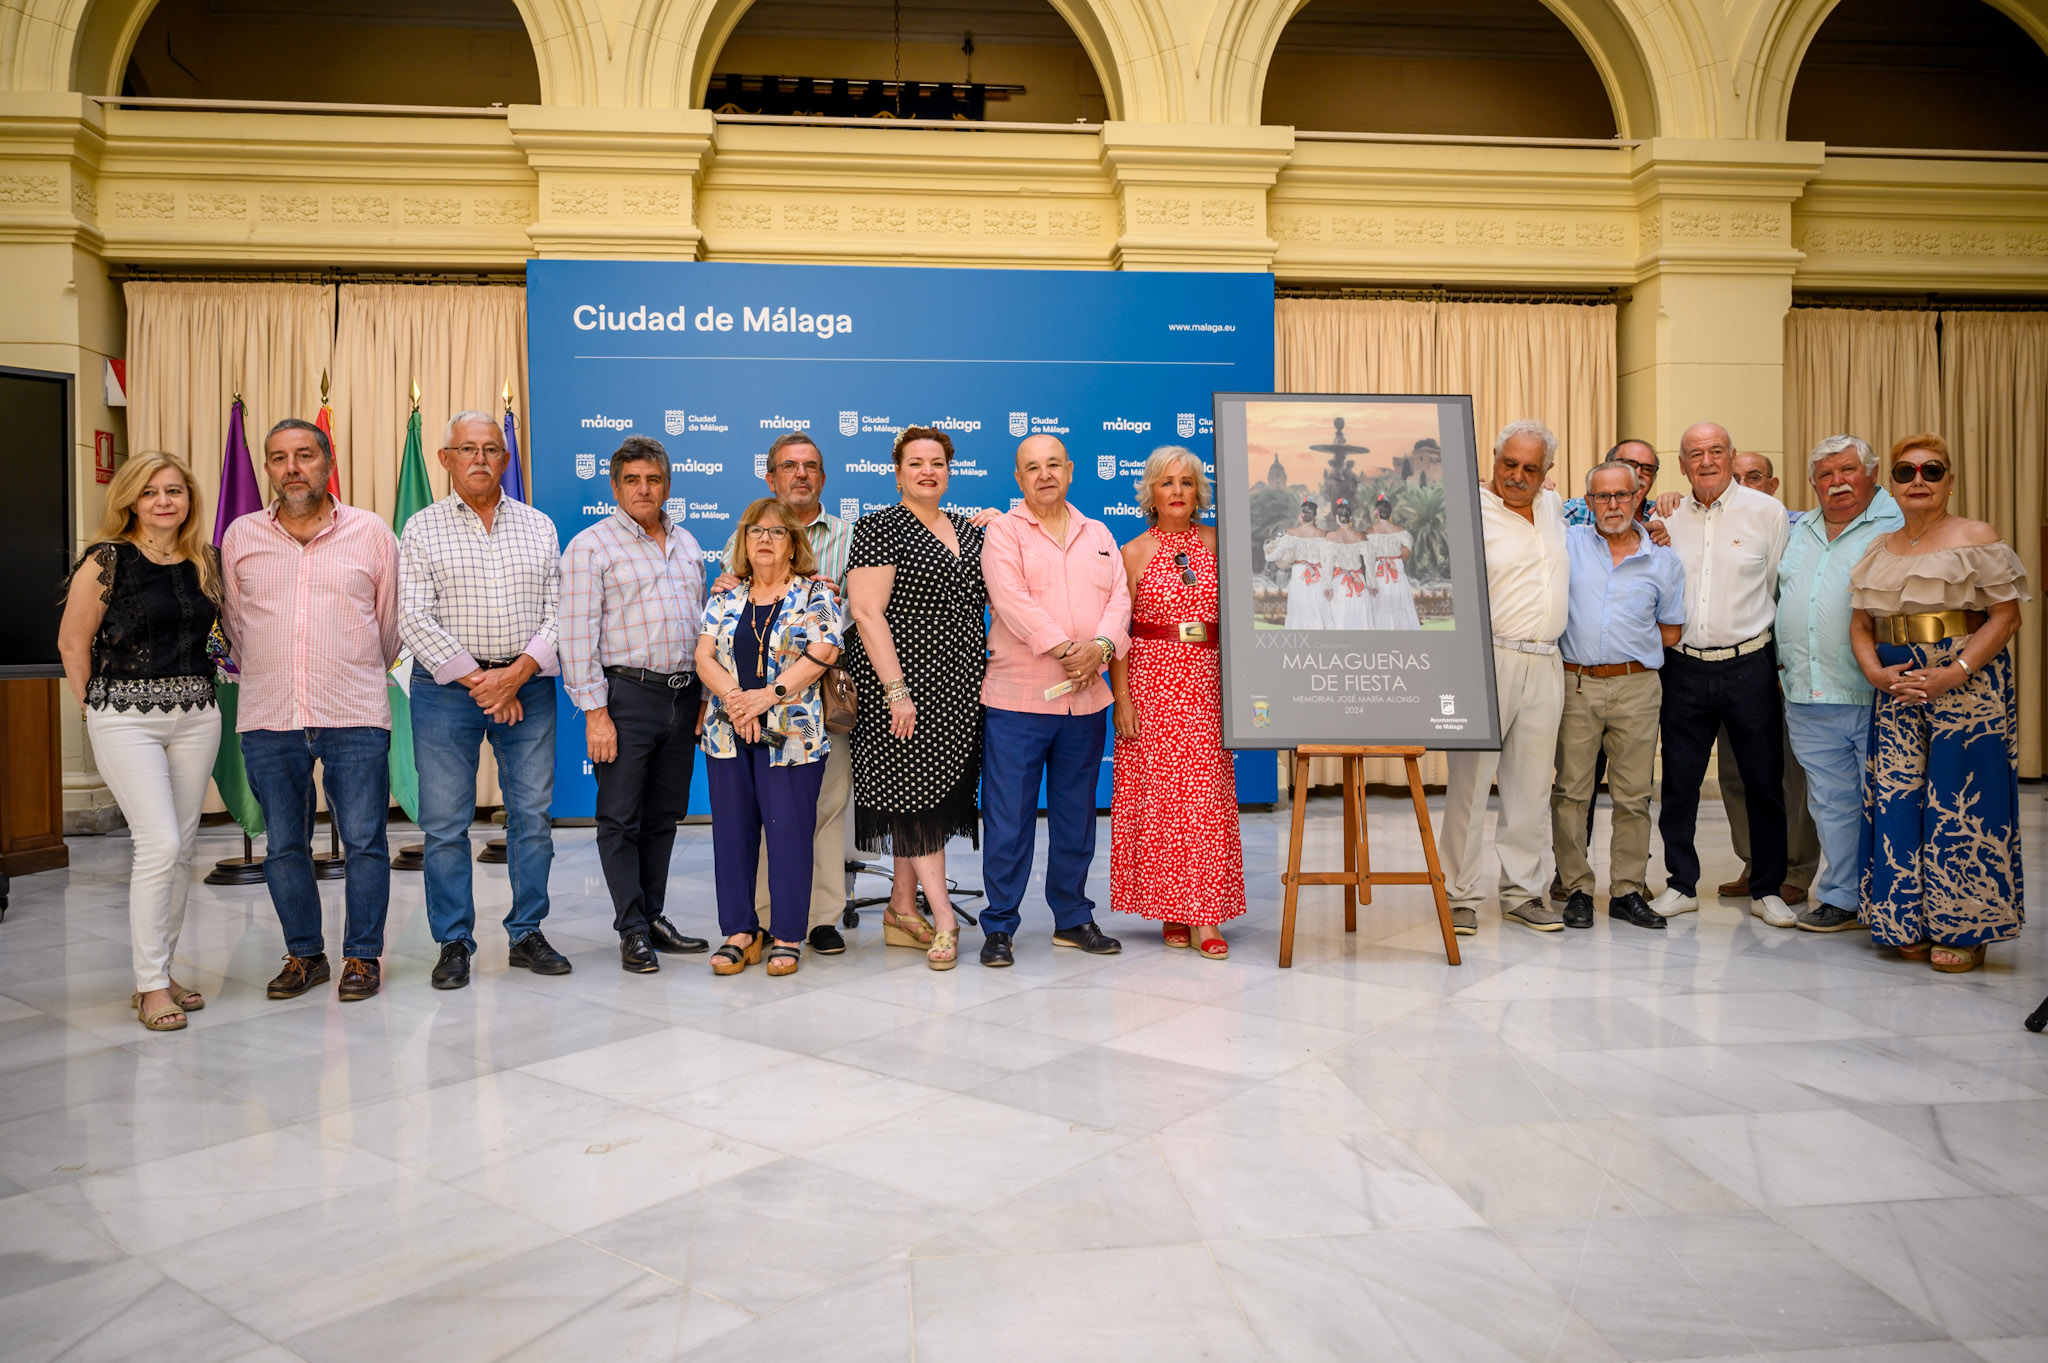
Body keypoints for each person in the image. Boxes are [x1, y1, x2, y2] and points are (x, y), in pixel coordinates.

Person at [222, 419, 399, 1002]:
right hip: (269, 715)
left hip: (354, 713)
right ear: (268, 469)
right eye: (278, 458)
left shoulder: (371, 533)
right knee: (284, 845)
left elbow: (390, 627)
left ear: (328, 461)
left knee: (366, 840)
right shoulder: (242, 537)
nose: (292, 468)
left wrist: (349, 670)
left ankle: (361, 958)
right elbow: (236, 630)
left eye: (304, 455)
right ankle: (304, 956)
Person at [399, 410, 569, 991]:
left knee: (532, 819)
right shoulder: (420, 528)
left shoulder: (539, 526)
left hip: (529, 687)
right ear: (445, 459)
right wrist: (483, 681)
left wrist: (516, 675)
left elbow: (560, 614)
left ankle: (527, 933)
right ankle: (453, 941)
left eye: (491, 449)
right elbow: (412, 619)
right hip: (448, 692)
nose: (480, 459)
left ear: (506, 458)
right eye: (466, 449)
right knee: (446, 824)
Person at [56, 453, 223, 1031]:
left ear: (188, 499)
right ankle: (150, 986)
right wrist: (95, 711)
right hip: (125, 716)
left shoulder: (205, 559)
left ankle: (163, 971)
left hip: (198, 715)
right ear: (130, 500)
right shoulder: (108, 559)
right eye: (150, 492)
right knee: (157, 844)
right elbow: (73, 644)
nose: (163, 502)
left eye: (174, 490)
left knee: (179, 848)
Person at [1851, 433, 2028, 973]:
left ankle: (1965, 928)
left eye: (1932, 471)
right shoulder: (1878, 548)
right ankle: (1904, 919)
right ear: (1892, 485)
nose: (1919, 481)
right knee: (1898, 797)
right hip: (1900, 687)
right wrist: (1877, 674)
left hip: (1966, 687)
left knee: (1963, 802)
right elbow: (1860, 624)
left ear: (1950, 481)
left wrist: (1954, 673)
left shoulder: (1977, 537)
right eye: (1906, 473)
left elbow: (2006, 616)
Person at [977, 434, 1131, 967]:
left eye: (1053, 465)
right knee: (1008, 818)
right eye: (1031, 468)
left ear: (1070, 471)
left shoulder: (1100, 533)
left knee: (1075, 816)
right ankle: (999, 926)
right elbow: (1010, 600)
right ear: (1018, 479)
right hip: (1018, 700)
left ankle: (1072, 917)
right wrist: (1070, 650)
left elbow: (1119, 598)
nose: (1044, 475)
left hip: (1086, 705)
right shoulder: (1003, 531)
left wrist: (1103, 649)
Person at [560, 435, 712, 973]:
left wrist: (701, 698)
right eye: (632, 480)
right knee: (620, 818)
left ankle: (653, 915)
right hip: (625, 697)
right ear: (615, 486)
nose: (644, 489)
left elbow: (700, 628)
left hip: (682, 694)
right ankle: (630, 929)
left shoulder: (688, 543)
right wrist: (596, 713)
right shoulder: (591, 546)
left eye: (653, 480)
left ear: (667, 485)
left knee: (666, 815)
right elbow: (576, 637)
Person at [843, 426, 988, 971]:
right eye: (916, 463)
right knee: (917, 794)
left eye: (938, 463)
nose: (928, 471)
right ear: (898, 471)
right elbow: (866, 613)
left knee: (922, 801)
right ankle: (945, 921)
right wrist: (897, 691)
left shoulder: (969, 532)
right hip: (902, 688)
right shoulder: (880, 527)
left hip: (959, 689)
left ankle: (903, 908)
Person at [711, 430, 857, 955]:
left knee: (823, 809)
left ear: (822, 476)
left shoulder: (848, 534)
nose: (801, 474)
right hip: (742, 709)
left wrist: (770, 694)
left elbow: (845, 623)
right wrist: (739, 699)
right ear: (770, 475)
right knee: (754, 817)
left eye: (811, 466)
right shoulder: (749, 531)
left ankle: (817, 917)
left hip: (819, 701)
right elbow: (724, 618)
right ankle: (764, 919)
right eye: (789, 466)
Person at [1648, 422, 1794, 926]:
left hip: (1749, 664)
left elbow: (1777, 585)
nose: (1706, 461)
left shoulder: (1767, 513)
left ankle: (1767, 887)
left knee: (1762, 781)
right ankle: (1681, 884)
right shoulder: (1665, 516)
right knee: (1680, 783)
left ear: (1732, 457)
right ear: (1683, 464)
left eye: (1715, 451)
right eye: (1695, 454)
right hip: (1683, 667)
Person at [695, 497, 845, 978]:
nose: (764, 539)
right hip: (727, 733)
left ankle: (786, 935)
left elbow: (823, 649)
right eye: (755, 531)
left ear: (793, 542)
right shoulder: (725, 597)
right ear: (742, 541)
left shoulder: (813, 594)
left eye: (777, 532)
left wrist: (769, 696)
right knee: (733, 835)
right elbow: (703, 658)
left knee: (789, 836)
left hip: (793, 735)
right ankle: (740, 932)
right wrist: (740, 700)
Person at [1111, 446, 1245, 954]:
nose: (1177, 492)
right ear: (1151, 491)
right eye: (1167, 483)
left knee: (1204, 800)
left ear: (1198, 492)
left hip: (1208, 680)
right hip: (1150, 682)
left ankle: (1206, 915)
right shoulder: (1132, 552)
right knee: (1162, 803)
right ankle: (1172, 909)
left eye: (1186, 483)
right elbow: (1119, 633)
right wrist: (1121, 697)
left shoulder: (1218, 543)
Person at [1439, 420, 1569, 934]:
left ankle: (1521, 892)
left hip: (1546, 661)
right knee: (1470, 785)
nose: (1516, 476)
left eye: (1529, 468)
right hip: (1485, 658)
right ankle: (1459, 893)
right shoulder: (1468, 508)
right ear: (1492, 459)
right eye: (1507, 463)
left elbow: (1619, 511)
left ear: (1547, 472)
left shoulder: (1557, 508)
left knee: (1532, 787)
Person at [1550, 459, 1686, 932]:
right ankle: (1577, 889)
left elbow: (1670, 631)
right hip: (1576, 683)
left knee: (1634, 795)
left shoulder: (1663, 560)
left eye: (1621, 496)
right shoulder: (1567, 546)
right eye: (1602, 497)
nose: (1612, 505)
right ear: (1587, 504)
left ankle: (1627, 890)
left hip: (1637, 687)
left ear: (1637, 499)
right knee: (1571, 792)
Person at [1776, 435, 1901, 933]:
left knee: (1893, 798)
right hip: (1807, 694)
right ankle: (1842, 897)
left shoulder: (1896, 525)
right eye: (1825, 475)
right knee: (1830, 802)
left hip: (1878, 693)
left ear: (1871, 474)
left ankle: (1897, 897)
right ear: (1812, 484)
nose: (1837, 482)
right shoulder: (1799, 528)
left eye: (1848, 470)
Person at [1713, 449, 1821, 904]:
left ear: (1773, 484)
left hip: (1781, 669)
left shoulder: (1797, 529)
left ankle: (1793, 867)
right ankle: (1755, 861)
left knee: (1787, 775)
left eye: (1753, 476)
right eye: (1735, 477)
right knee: (1736, 771)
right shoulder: (1712, 524)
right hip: (1728, 669)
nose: (1744, 484)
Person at [1562, 439, 1661, 527]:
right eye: (1630, 465)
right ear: (1607, 467)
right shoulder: (1577, 511)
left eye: (1648, 469)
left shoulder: (1660, 514)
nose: (1638, 473)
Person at [1264, 501, 1330, 628]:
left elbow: (1273, 556)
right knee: (1319, 609)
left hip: (1299, 575)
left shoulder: (1292, 532)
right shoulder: (1323, 534)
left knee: (1300, 611)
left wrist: (1268, 549)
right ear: (1315, 515)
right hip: (1319, 574)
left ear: (1301, 515)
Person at [1364, 494, 1420, 630]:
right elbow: (1406, 552)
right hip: (1396, 568)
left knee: (1380, 600)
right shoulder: (1401, 531)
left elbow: (1369, 558)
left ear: (1376, 513)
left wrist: (1370, 580)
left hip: (1379, 569)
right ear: (1390, 512)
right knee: (1399, 600)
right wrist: (1398, 561)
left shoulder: (1370, 531)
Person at [1322, 499, 1372, 629]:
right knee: (1361, 619)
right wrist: (1372, 584)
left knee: (1340, 619)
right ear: (1350, 517)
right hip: (1359, 581)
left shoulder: (1331, 536)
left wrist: (1327, 586)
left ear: (1337, 518)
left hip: (1340, 583)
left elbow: (1329, 564)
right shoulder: (1360, 536)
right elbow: (1369, 562)